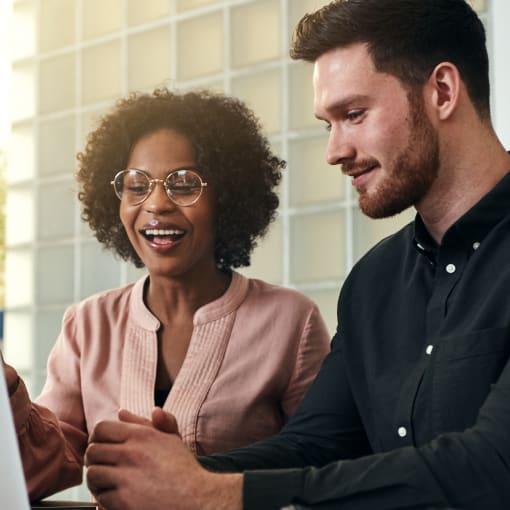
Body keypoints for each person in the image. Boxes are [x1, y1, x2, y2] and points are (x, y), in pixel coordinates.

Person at [83, 0, 510, 509]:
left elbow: (491, 465)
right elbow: (315, 448)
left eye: (353, 115)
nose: (334, 150)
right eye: (327, 123)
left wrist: (210, 493)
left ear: (442, 91)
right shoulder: (373, 283)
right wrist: (169, 472)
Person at [2, 89, 331, 501]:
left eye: (184, 184)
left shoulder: (291, 321)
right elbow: (38, 469)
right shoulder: (87, 324)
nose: (156, 204)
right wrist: (7, 388)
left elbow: (324, 464)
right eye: (136, 185)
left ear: (224, 196)